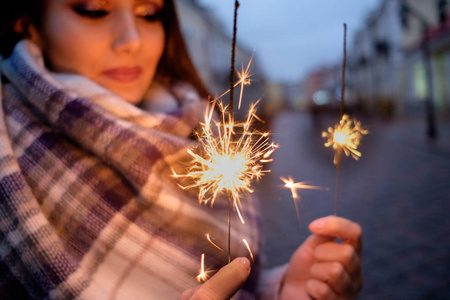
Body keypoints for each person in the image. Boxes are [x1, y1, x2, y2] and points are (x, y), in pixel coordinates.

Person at [0, 0, 363, 299]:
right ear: (28, 21)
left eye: (149, 14)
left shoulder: (204, 128)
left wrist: (279, 289)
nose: (131, 41)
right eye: (94, 9)